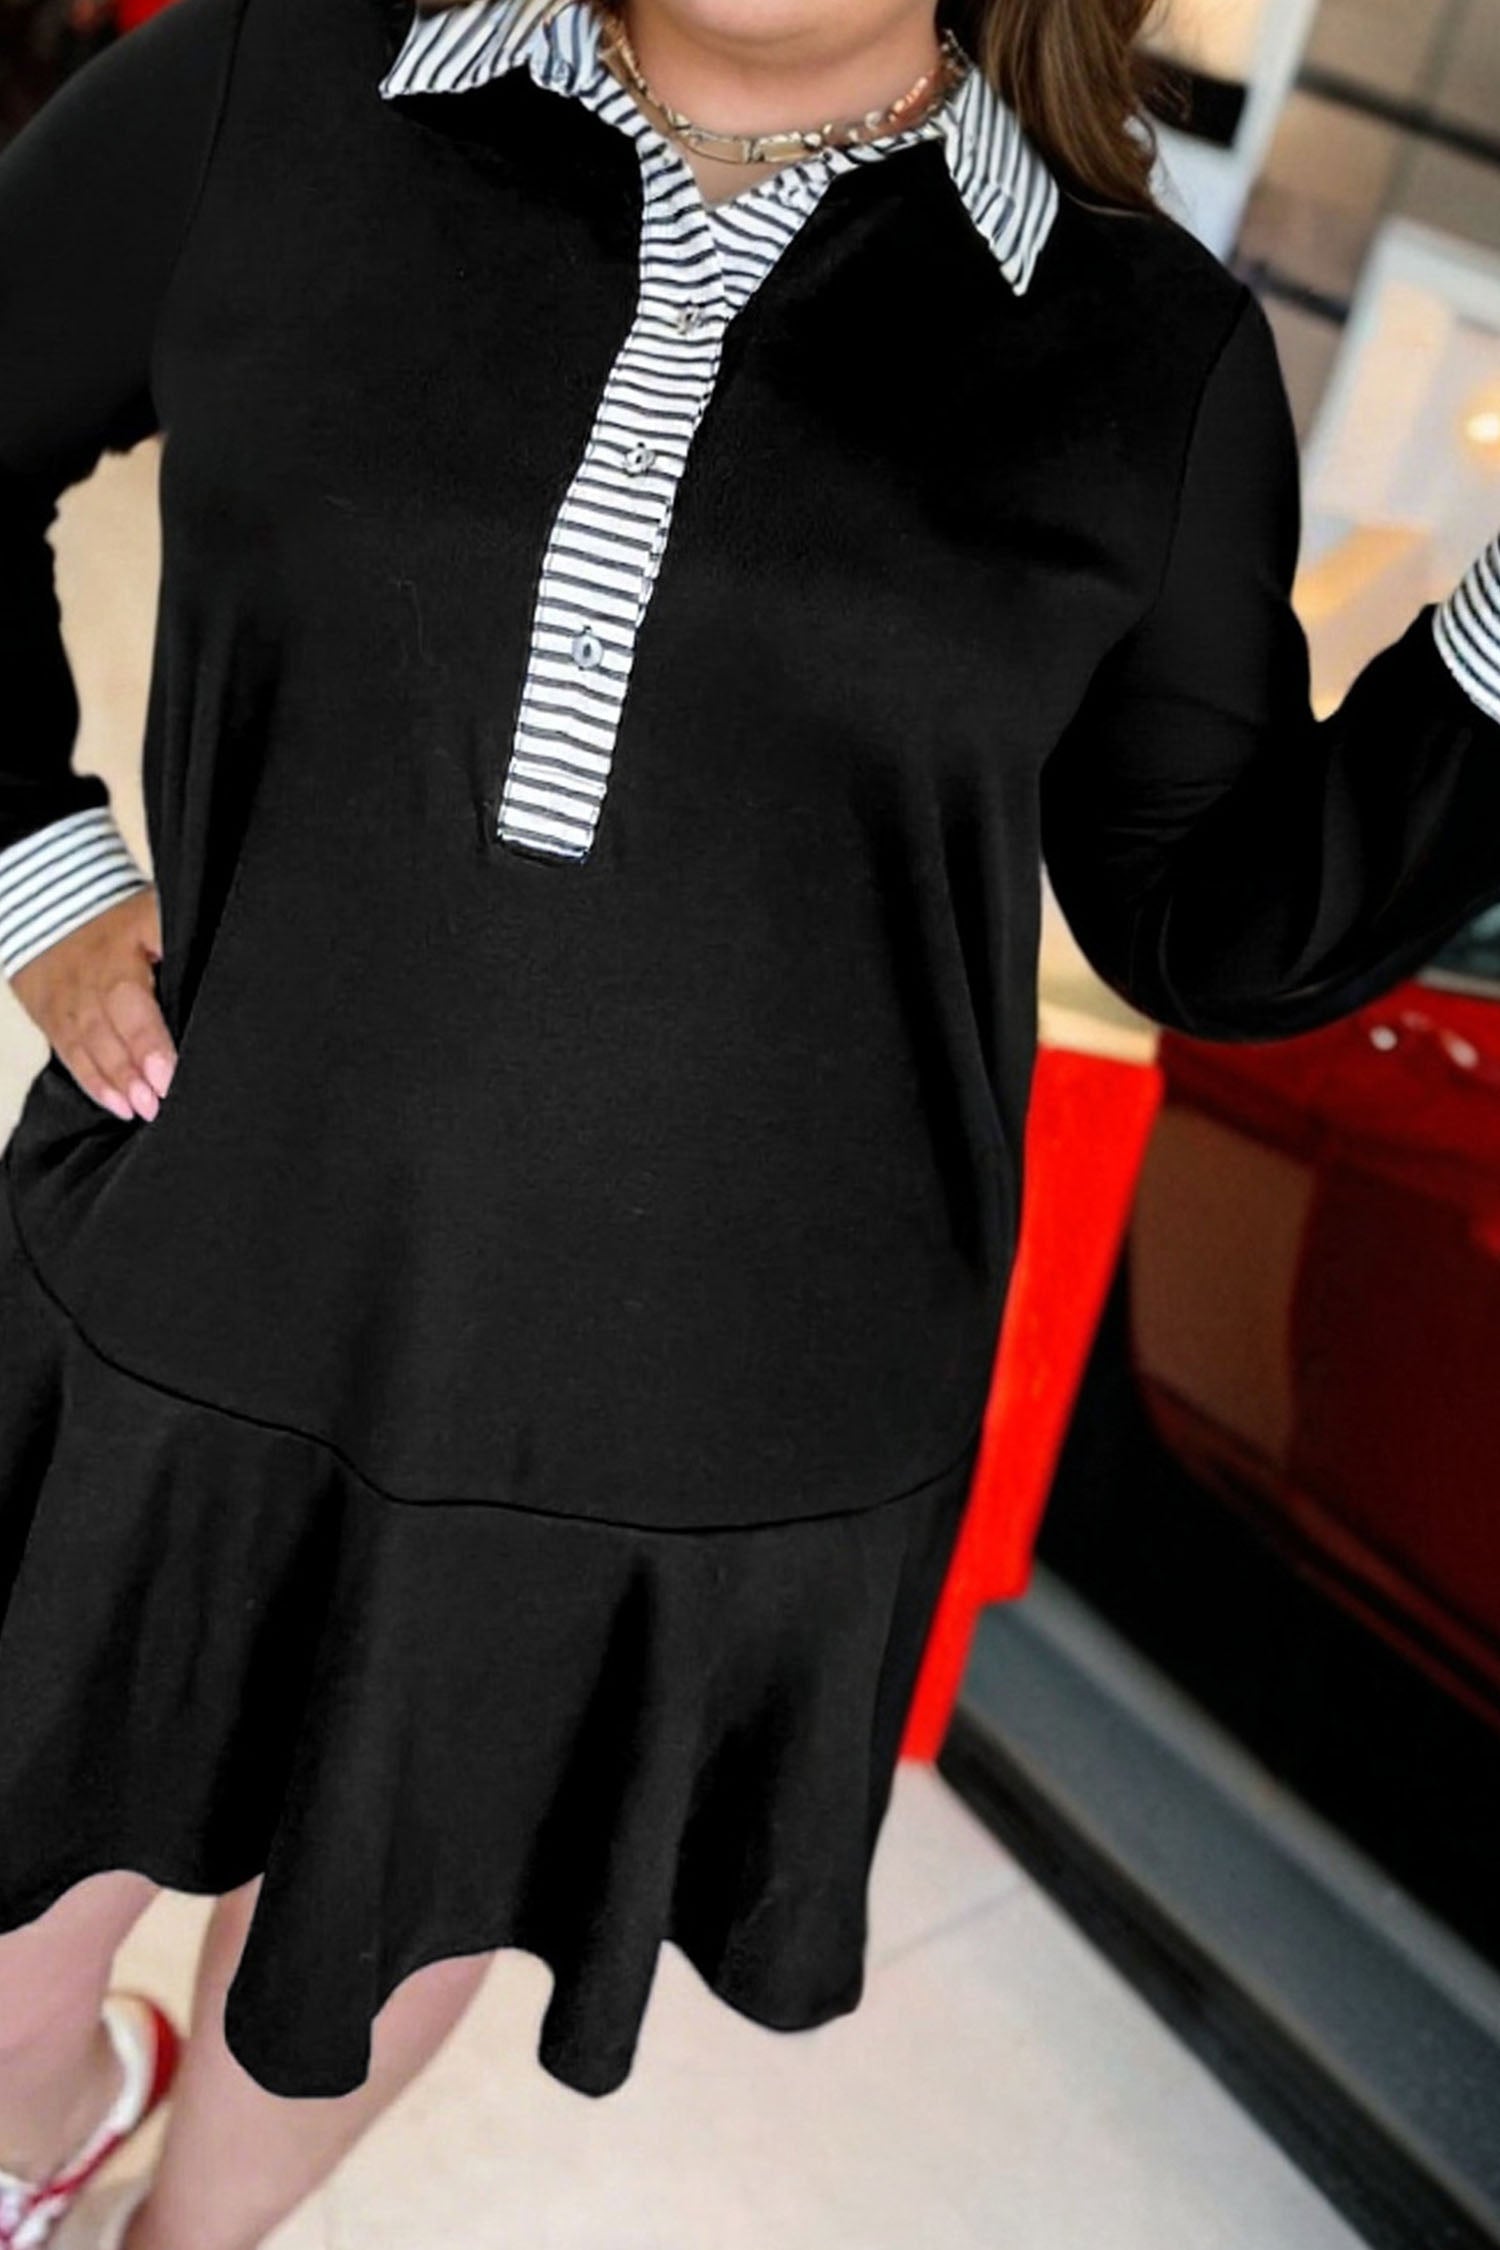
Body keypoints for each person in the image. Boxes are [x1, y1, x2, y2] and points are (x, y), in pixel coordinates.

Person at [1, 0, 1497, 2243]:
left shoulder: (1138, 349)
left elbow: (1225, 920)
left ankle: (186, 2233)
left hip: (705, 1390)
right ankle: (55, 2117)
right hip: (211, 1226)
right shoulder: (283, 92)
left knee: (381, 1906)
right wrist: (36, 862)